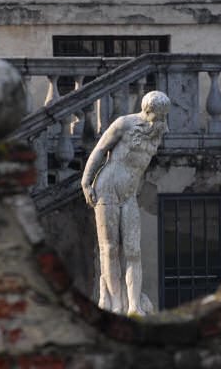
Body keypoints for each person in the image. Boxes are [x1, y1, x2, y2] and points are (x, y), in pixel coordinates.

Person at [81, 90, 170, 315]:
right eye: (158, 115)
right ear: (147, 111)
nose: (162, 120)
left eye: (164, 115)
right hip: (107, 189)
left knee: (133, 250)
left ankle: (134, 306)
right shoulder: (124, 124)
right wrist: (86, 181)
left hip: (129, 193)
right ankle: (116, 304)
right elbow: (100, 149)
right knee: (110, 249)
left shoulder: (159, 128)